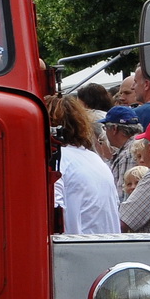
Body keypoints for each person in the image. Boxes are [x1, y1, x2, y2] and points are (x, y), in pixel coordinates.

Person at [47, 96, 119, 235]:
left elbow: (54, 211)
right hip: (103, 248)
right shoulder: (94, 159)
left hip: (75, 250)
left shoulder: (58, 161)